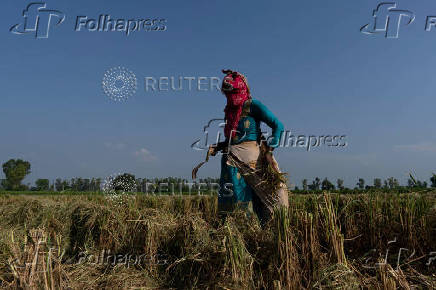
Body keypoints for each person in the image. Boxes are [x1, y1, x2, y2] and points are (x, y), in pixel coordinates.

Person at [210, 69, 289, 225]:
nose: (230, 97)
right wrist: (218, 146)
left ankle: (270, 229)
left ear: (241, 89)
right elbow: (234, 139)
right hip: (231, 162)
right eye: (227, 93)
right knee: (237, 200)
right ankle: (237, 237)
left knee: (272, 194)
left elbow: (278, 126)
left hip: (254, 161)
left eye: (233, 92)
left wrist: (270, 150)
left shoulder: (253, 106)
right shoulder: (230, 112)